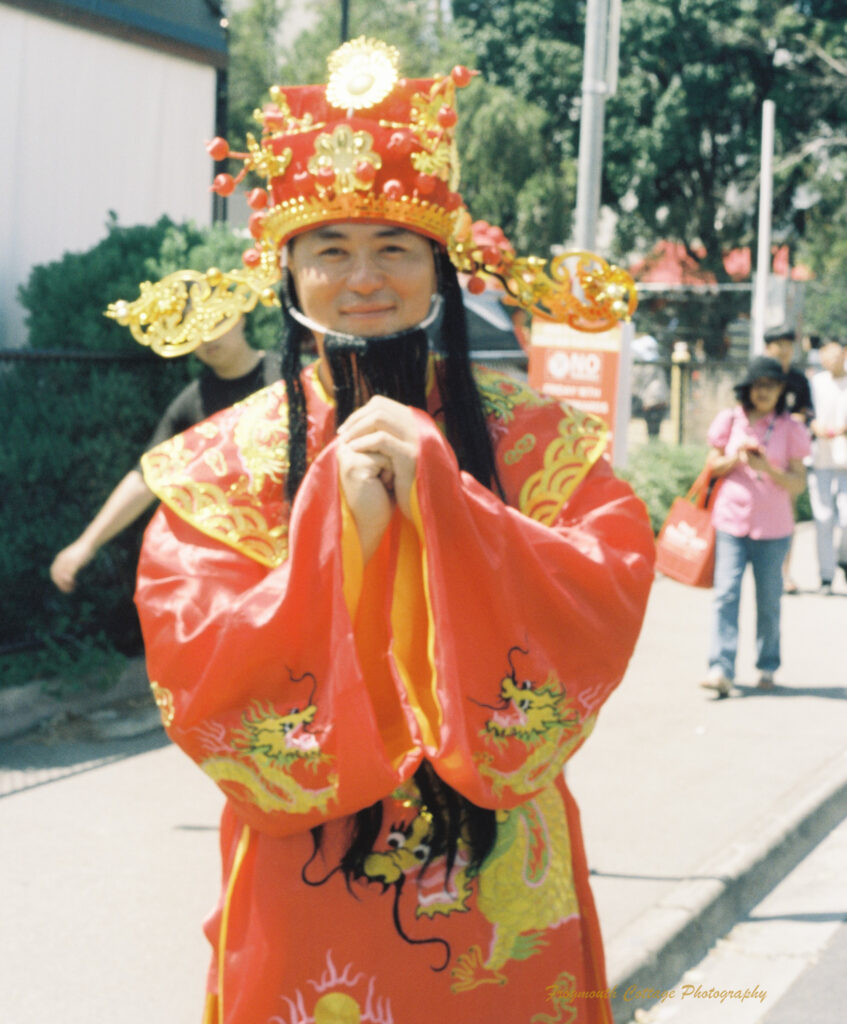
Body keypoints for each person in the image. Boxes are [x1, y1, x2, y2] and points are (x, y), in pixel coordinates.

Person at [129, 39, 655, 1024]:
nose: (363, 277)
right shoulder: (223, 463)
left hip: (500, 855)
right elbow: (193, 656)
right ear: (285, 266)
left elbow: (609, 576)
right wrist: (342, 529)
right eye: (330, 248)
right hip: (310, 853)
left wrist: (456, 507)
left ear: (440, 268)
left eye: (394, 248)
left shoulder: (535, 441)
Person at [49, 316, 280, 593]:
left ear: (241, 319)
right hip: (234, 569)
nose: (205, 335)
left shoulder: (290, 377)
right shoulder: (191, 402)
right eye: (192, 327)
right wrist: (87, 543)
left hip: (302, 546)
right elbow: (146, 476)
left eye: (216, 320)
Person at [700, 356, 811, 696]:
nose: (765, 392)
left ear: (782, 391)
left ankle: (767, 664)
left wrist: (768, 468)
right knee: (726, 595)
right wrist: (736, 459)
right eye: (759, 385)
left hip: (773, 527)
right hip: (731, 521)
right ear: (749, 388)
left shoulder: (791, 428)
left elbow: (798, 484)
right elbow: (711, 467)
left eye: (772, 386)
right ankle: (720, 667)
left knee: (769, 600)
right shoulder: (730, 419)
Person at [763, 328, 814, 593]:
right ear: (767, 347)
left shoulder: (798, 379)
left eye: (788, 345)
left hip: (787, 456)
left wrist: (792, 426)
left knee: (786, 513)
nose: (783, 350)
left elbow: (806, 413)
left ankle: (784, 572)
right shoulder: (757, 374)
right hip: (755, 453)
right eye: (778, 344)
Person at [808, 341, 847, 594]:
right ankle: (826, 576)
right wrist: (814, 427)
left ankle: (843, 558)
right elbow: (805, 413)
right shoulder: (816, 383)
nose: (831, 360)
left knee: (845, 519)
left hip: (845, 461)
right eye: (827, 355)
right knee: (823, 518)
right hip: (820, 458)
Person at [630, 334, 669, 439]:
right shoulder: (655, 364)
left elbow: (635, 384)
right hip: (658, 399)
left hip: (651, 400)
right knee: (653, 430)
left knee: (653, 430)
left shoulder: (643, 365)